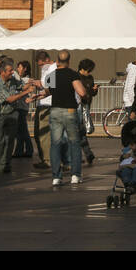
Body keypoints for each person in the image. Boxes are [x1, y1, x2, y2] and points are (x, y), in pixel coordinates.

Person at [45, 50, 87, 187]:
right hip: (70, 110)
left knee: (55, 143)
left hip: (55, 110)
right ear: (69, 61)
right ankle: (75, 175)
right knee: (74, 142)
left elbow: (48, 91)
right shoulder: (72, 74)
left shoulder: (51, 75)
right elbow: (81, 92)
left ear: (57, 61)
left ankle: (56, 177)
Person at [0, 58, 31, 174]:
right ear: (2, 72)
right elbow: (10, 99)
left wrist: (33, 83)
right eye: (9, 71)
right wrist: (26, 92)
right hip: (1, 114)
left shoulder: (12, 79)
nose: (12, 72)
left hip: (13, 112)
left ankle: (6, 163)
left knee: (10, 140)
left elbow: (22, 86)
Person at [33, 51, 55, 170]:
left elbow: (49, 85)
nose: (40, 67)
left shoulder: (52, 68)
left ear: (47, 60)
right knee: (39, 133)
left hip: (48, 104)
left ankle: (47, 159)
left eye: (41, 64)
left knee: (43, 133)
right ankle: (45, 157)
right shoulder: (46, 68)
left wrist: (38, 83)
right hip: (43, 102)